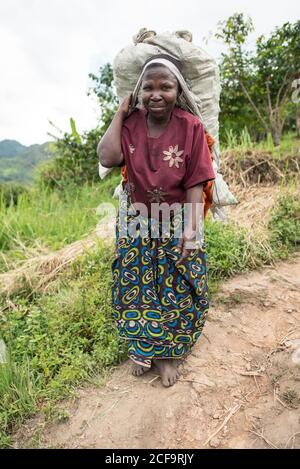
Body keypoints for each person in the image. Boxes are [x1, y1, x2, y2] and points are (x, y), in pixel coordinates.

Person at [97, 54, 215, 387]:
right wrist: (121, 113)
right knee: (136, 285)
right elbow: (108, 156)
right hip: (136, 217)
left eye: (166, 86)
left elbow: (195, 181)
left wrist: (191, 229)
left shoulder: (190, 127)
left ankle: (167, 355)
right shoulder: (131, 123)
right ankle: (142, 346)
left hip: (177, 217)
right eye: (148, 87)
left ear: (178, 90)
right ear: (138, 92)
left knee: (178, 284)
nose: (156, 93)